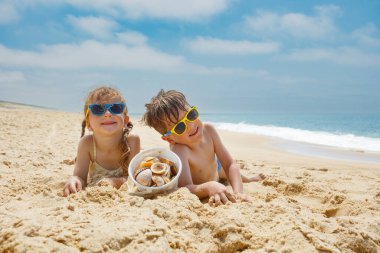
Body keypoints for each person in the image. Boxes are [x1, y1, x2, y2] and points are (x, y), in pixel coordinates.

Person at [142, 89, 264, 206]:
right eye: (180, 127)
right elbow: (185, 188)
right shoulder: (180, 150)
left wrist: (238, 193)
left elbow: (229, 164)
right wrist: (208, 187)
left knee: (229, 172)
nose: (191, 125)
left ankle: (249, 180)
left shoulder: (208, 130)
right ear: (169, 139)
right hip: (206, 178)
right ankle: (232, 179)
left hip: (216, 167)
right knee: (222, 173)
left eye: (190, 115)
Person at [63, 86, 140, 196]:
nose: (108, 113)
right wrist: (74, 180)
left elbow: (134, 178)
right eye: (98, 109)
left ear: (125, 121)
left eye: (116, 108)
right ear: (88, 124)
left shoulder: (132, 141)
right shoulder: (87, 144)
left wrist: (114, 182)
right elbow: (80, 177)